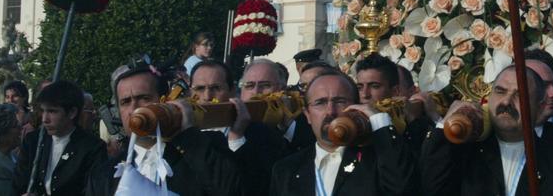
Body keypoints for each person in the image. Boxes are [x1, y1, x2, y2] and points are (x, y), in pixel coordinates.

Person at [85, 59, 244, 195]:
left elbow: (230, 189)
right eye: (125, 102)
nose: (134, 109)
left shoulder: (204, 146)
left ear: (165, 101)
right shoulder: (103, 174)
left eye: (144, 98)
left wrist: (188, 135)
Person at [421, 65, 553, 195]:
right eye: (500, 91)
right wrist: (445, 124)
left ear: (539, 107)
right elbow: (432, 189)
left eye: (519, 95)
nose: (506, 101)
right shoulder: (466, 151)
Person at [269, 70, 417, 195]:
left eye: (339, 101)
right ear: (307, 114)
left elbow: (403, 188)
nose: (330, 112)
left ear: (356, 108)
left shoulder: (377, 160)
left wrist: (378, 120)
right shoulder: (286, 170)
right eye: (320, 103)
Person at [191, 58, 289, 195]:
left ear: (232, 91)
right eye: (200, 89)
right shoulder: (183, 134)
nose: (207, 96)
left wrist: (236, 138)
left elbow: (253, 187)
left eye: (216, 88)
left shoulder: (263, 134)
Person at [16, 80, 106, 196]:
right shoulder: (33, 141)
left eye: (52, 111)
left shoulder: (92, 148)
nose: (44, 119)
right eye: (43, 111)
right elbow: (18, 185)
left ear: (72, 112)